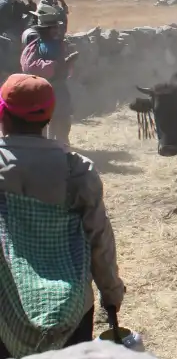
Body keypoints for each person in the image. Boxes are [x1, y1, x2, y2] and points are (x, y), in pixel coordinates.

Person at [0, 74, 125, 358]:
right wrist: (111, 293)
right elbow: (99, 238)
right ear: (49, 116)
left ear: (2, 114)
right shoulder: (77, 170)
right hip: (69, 310)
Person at [20, 7, 78, 148]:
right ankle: (44, 147)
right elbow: (29, 66)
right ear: (45, 29)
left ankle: (61, 146)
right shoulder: (35, 46)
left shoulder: (58, 44)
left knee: (62, 119)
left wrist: (67, 64)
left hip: (59, 87)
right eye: (53, 28)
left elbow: (65, 66)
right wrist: (56, 65)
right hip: (42, 88)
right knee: (42, 121)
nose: (56, 30)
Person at [0, 0, 37, 76]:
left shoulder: (18, 3)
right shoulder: (3, 5)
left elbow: (32, 9)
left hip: (16, 33)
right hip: (5, 35)